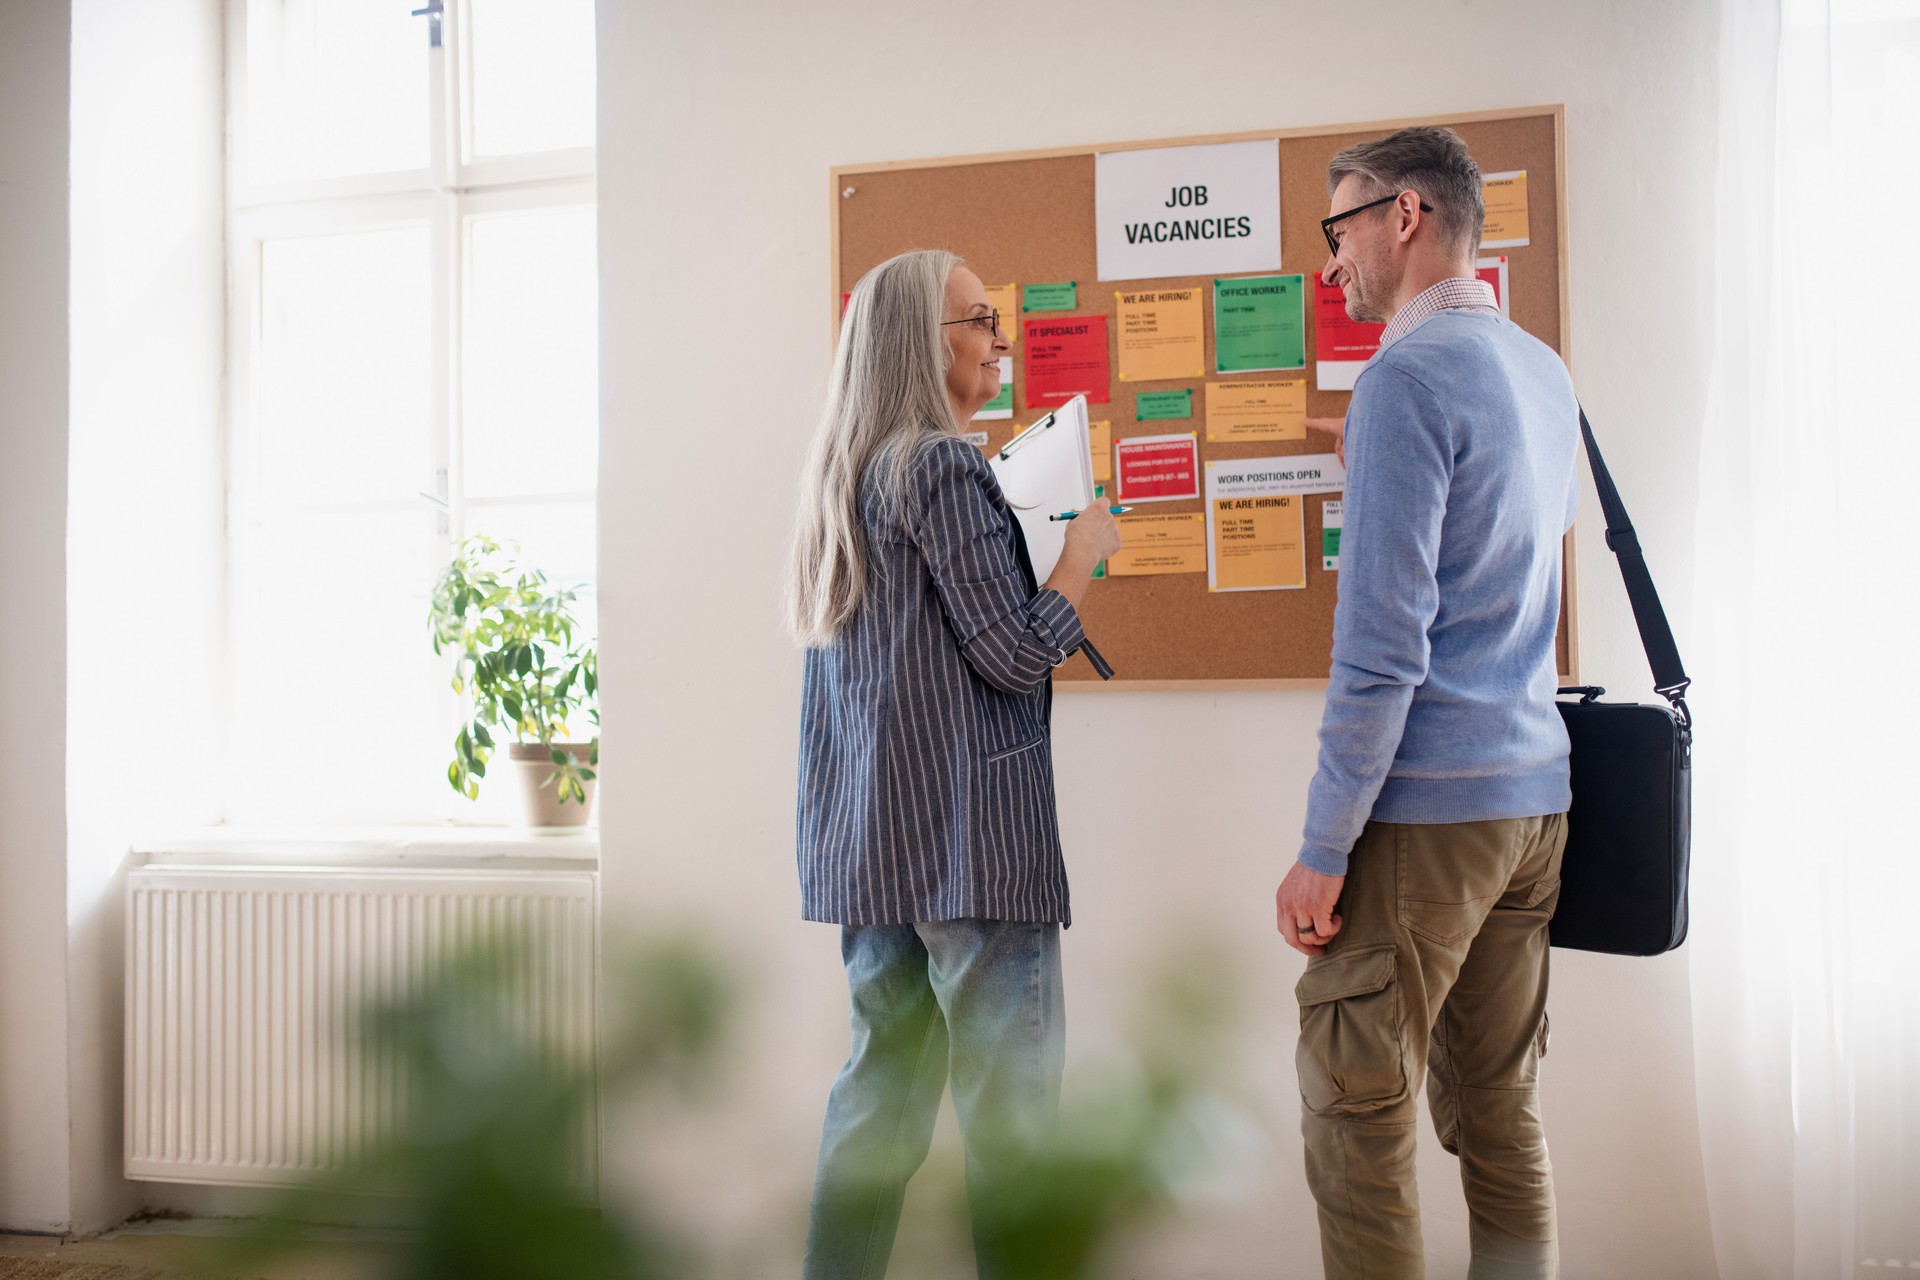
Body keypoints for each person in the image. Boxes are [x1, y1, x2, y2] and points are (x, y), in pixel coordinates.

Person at [1274, 127, 1581, 1279]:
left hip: (1431, 814)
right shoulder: (1540, 370)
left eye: (1339, 224)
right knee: (1499, 1108)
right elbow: (1500, 574)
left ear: (1406, 214)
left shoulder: (1405, 378)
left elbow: (1385, 649)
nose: (1331, 259)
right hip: (1533, 801)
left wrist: (1322, 844)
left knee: (1358, 1115)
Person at [785, 249, 1121, 1279]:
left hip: (875, 850)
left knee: (876, 1105)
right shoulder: (938, 464)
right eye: (977, 318)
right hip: (973, 851)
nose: (998, 337)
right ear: (915, 343)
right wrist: (1078, 560)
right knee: (1015, 1134)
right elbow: (1015, 651)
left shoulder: (844, 475)